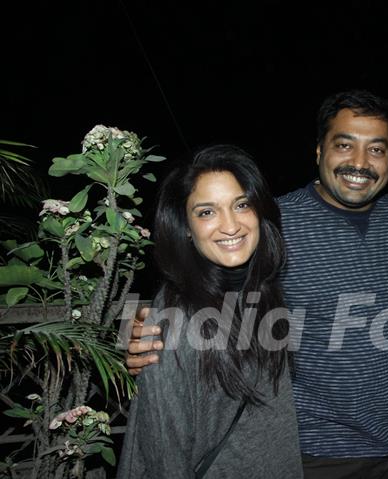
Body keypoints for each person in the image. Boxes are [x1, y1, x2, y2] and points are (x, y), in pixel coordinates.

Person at [126, 90, 388, 478]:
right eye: (344, 145)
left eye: (376, 149)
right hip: (311, 454)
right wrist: (151, 325)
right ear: (318, 151)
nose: (359, 163)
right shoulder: (274, 222)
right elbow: (208, 277)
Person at [117, 145, 302, 478]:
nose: (230, 226)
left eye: (241, 205)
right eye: (207, 212)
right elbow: (163, 451)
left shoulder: (265, 293)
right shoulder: (172, 321)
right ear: (185, 226)